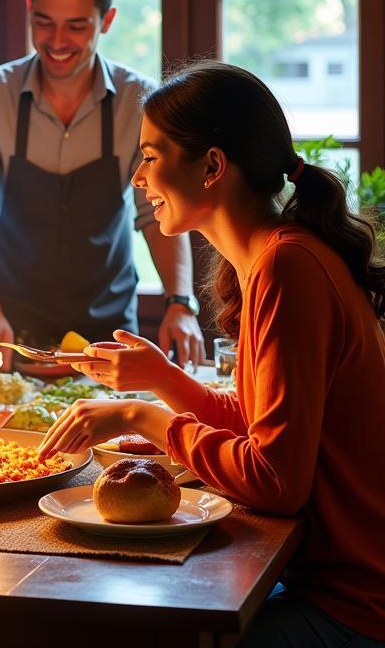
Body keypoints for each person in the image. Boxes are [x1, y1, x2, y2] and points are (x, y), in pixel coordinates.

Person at [39, 61, 385, 646]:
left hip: (351, 604)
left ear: (212, 166)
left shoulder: (286, 268)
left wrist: (145, 416)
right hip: (318, 578)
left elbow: (276, 480)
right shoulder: (269, 259)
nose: (138, 179)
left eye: (151, 157)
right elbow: (262, 428)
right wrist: (163, 378)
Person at [0, 0, 203, 368]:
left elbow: (157, 209)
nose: (57, 42)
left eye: (77, 27)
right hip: (12, 325)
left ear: (108, 21)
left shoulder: (139, 100)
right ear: (29, 8)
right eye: (44, 22)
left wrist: (179, 302)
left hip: (110, 329)